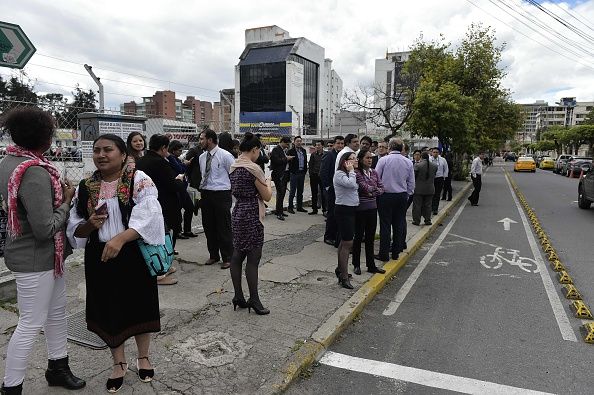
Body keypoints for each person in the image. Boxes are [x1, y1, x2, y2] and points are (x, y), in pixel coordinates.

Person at [67, 134, 164, 393]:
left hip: (133, 253)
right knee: (109, 310)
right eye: (97, 150)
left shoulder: (138, 180)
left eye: (108, 150)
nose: (101, 155)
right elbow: (75, 227)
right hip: (100, 256)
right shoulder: (86, 186)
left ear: (123, 154)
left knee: (140, 305)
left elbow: (151, 216)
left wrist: (120, 238)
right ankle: (118, 363)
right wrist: (90, 225)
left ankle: (143, 357)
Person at [0, 107, 85, 394]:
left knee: (56, 313)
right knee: (31, 323)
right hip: (37, 258)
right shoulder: (33, 171)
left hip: (47, 258)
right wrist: (67, 200)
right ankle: (11, 387)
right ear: (44, 137)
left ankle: (58, 367)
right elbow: (45, 228)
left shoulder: (10, 161)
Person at [229, 133, 273, 315]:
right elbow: (267, 196)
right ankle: (254, 299)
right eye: (258, 150)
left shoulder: (233, 166)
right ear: (255, 149)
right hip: (252, 214)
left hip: (238, 211)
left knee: (238, 255)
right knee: (253, 259)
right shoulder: (253, 168)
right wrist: (269, 183)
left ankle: (238, 296)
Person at [136, 134, 184, 285]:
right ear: (163, 148)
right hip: (162, 205)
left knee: (156, 237)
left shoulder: (142, 161)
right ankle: (159, 273)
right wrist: (180, 181)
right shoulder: (160, 163)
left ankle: (164, 266)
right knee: (162, 238)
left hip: (146, 205)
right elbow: (171, 185)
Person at [198, 129, 235, 269]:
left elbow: (233, 174)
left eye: (202, 139)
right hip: (206, 194)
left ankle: (228, 257)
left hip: (221, 194)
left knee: (223, 227)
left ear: (210, 140)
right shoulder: (202, 157)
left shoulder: (225, 155)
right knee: (209, 226)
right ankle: (213, 255)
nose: (200, 141)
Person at [375, 138, 415, 262]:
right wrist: (407, 194)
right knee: (398, 224)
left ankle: (384, 254)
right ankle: (396, 253)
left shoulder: (383, 160)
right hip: (401, 196)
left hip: (385, 196)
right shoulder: (408, 162)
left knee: (385, 225)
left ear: (390, 148)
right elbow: (411, 182)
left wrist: (379, 192)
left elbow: (376, 178)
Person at [353, 149, 385, 275]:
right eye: (367, 158)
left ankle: (371, 265)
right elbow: (364, 187)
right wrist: (372, 190)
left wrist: (373, 191)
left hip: (372, 208)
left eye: (371, 158)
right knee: (358, 237)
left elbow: (382, 188)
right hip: (360, 209)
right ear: (361, 159)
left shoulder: (374, 172)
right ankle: (356, 265)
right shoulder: (357, 173)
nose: (370, 160)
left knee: (370, 238)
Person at [333, 151, 359, 289]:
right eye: (352, 159)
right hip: (343, 209)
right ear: (345, 162)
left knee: (344, 242)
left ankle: (340, 269)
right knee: (348, 243)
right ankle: (344, 276)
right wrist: (352, 171)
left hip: (351, 209)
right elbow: (351, 185)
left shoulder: (350, 173)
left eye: (356, 158)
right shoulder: (340, 174)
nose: (355, 161)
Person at [167, 140, 198, 239]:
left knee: (190, 207)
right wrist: (185, 165)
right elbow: (180, 169)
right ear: (173, 150)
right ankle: (178, 231)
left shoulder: (176, 159)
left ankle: (187, 230)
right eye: (179, 150)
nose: (181, 152)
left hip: (182, 189)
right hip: (177, 189)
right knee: (177, 211)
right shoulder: (171, 159)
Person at [321, 135, 344, 245]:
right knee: (331, 213)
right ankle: (328, 236)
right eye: (338, 143)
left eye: (342, 143)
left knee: (337, 213)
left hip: (340, 190)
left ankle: (335, 235)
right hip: (331, 189)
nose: (340, 145)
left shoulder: (343, 155)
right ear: (334, 144)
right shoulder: (330, 155)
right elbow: (323, 172)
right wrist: (328, 186)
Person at [269, 136, 294, 221]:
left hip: (284, 174)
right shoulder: (276, 150)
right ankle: (279, 213)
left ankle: (279, 210)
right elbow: (276, 161)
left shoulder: (283, 150)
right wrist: (286, 158)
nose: (287, 146)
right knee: (280, 193)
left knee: (282, 193)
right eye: (286, 144)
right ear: (282, 142)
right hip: (278, 175)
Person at [412, 152, 438, 226]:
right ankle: (427, 220)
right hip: (430, 188)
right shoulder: (435, 166)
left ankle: (416, 221)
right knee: (428, 205)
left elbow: (414, 177)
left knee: (417, 205)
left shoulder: (417, 165)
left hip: (418, 189)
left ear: (421, 157)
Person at [286, 136, 308, 214]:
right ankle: (290, 207)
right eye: (297, 141)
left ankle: (299, 207)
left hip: (302, 173)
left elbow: (305, 161)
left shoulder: (304, 151)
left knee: (300, 191)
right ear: (294, 142)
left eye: (300, 141)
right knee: (292, 191)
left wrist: (305, 171)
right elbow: (287, 162)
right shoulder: (290, 151)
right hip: (294, 173)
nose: (299, 142)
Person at [430, 147, 449, 216]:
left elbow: (446, 169)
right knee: (431, 194)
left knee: (437, 194)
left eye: (436, 152)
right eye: (434, 152)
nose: (435, 153)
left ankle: (435, 209)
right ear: (431, 153)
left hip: (439, 178)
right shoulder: (429, 159)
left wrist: (444, 177)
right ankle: (430, 208)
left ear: (439, 153)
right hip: (431, 179)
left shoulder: (442, 160)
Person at [308, 140, 325, 215]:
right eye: (316, 145)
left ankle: (324, 210)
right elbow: (310, 165)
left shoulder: (326, 154)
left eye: (319, 145)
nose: (317, 146)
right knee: (314, 192)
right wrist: (311, 174)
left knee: (323, 193)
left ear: (322, 146)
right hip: (314, 175)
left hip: (323, 176)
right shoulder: (313, 155)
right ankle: (314, 209)